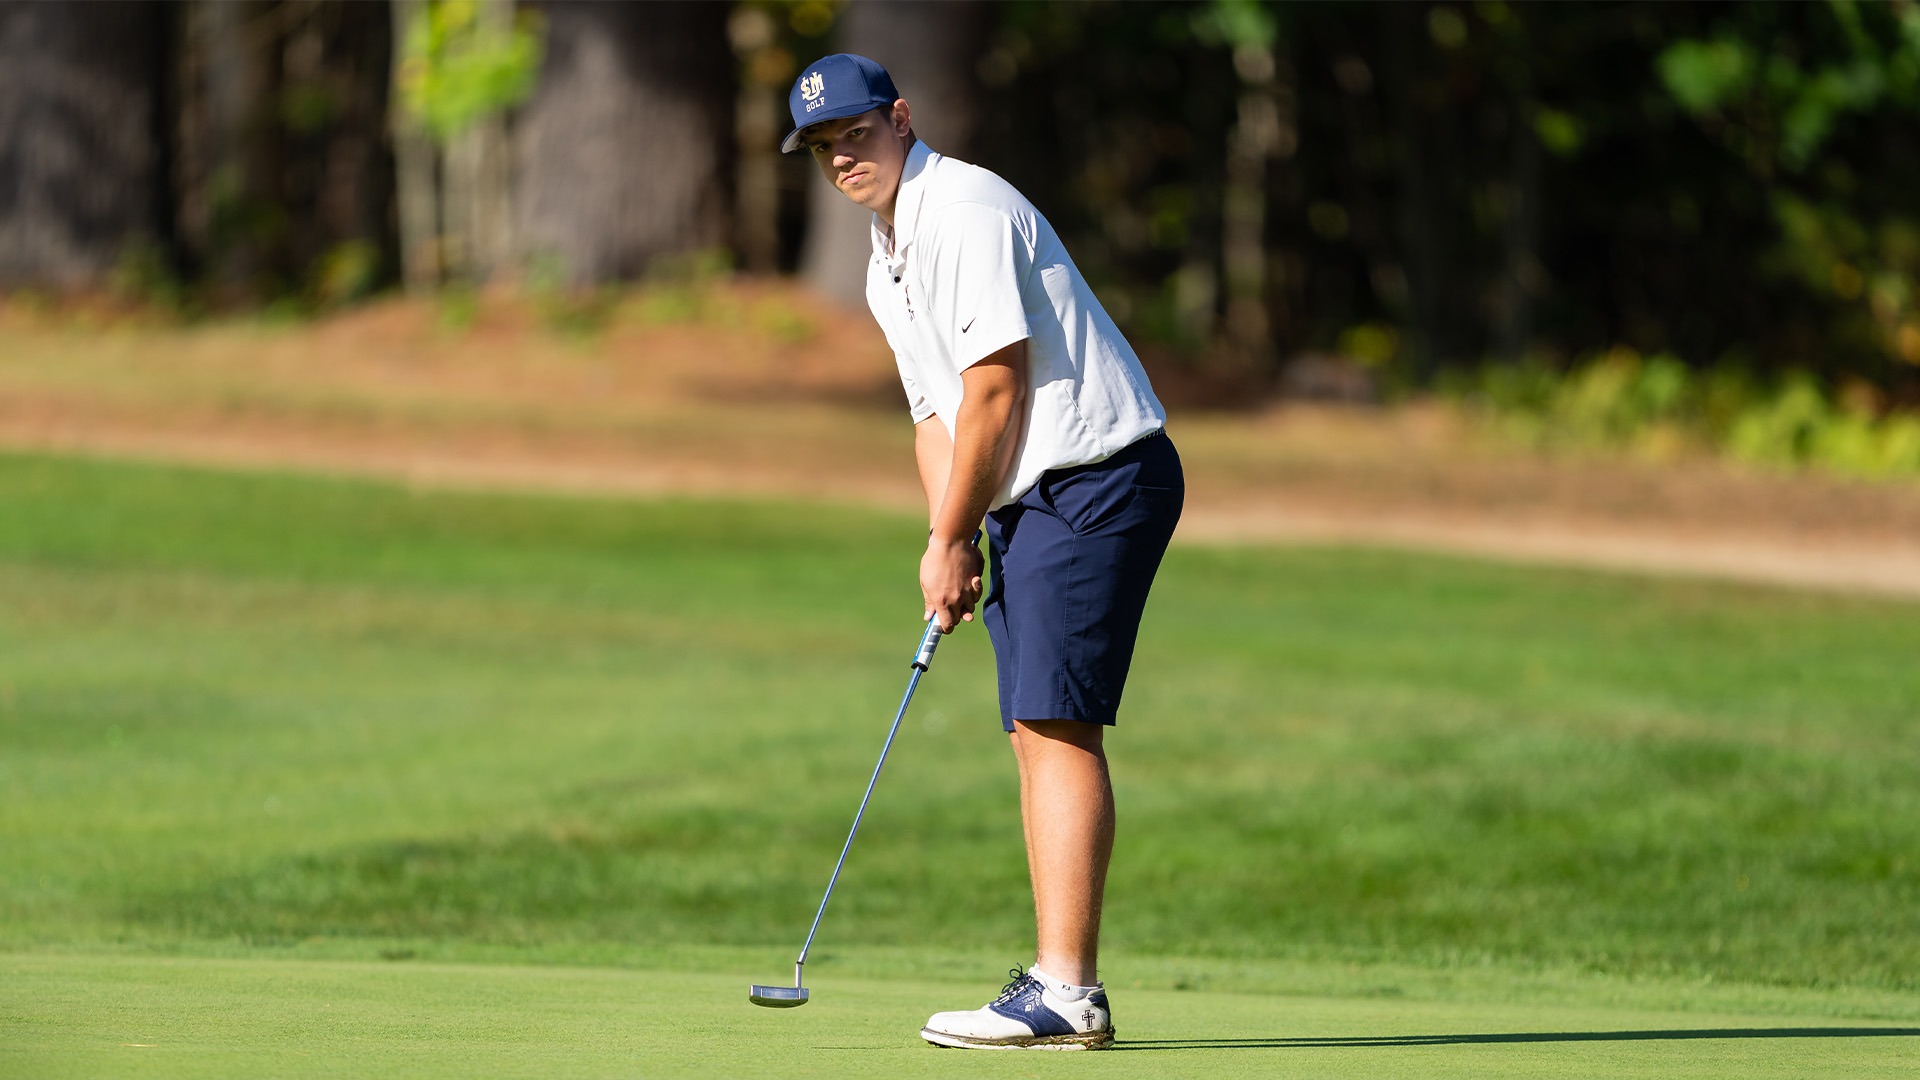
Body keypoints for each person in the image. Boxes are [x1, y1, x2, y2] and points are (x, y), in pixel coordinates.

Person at [782, 53, 1184, 1051]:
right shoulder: (886, 259)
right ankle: (1062, 984)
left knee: (1056, 724)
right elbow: (936, 417)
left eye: (857, 136)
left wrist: (957, 533)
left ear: (902, 119)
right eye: (825, 148)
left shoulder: (959, 207)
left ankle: (1066, 990)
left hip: (1094, 475)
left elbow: (996, 387)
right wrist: (944, 540)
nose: (843, 158)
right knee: (1033, 728)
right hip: (1031, 494)